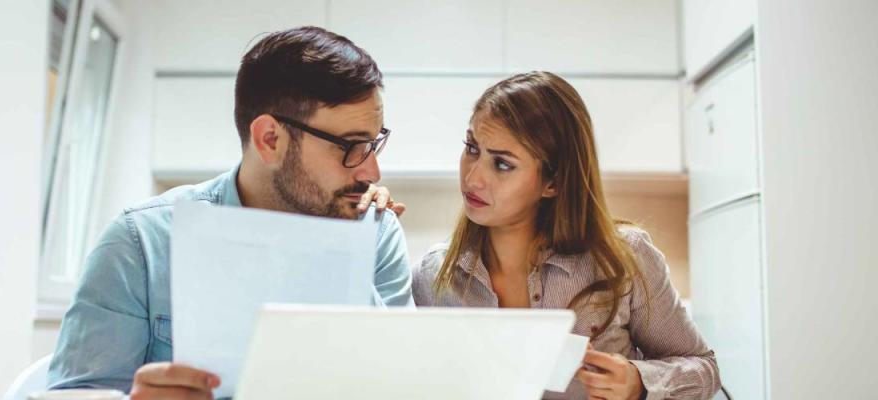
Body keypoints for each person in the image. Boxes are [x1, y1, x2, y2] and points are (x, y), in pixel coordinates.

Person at [48, 26, 411, 398]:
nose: (371, 173)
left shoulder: (376, 235)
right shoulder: (140, 244)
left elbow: (408, 385)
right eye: (350, 146)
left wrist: (340, 246)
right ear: (270, 140)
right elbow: (73, 391)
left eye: (373, 144)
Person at [412, 71, 721, 400]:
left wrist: (639, 383)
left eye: (502, 164)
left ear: (553, 182)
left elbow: (704, 368)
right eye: (472, 148)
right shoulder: (432, 278)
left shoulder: (624, 259)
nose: (473, 178)